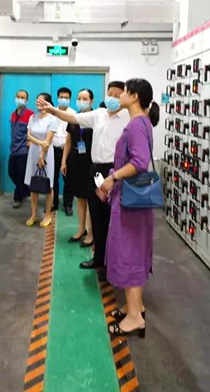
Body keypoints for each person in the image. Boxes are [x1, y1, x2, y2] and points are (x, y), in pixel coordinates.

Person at [38, 81, 129, 279]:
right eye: (110, 93)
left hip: (114, 172)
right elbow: (73, 117)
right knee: (96, 216)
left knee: (111, 220)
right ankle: (98, 258)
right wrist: (53, 110)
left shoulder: (127, 117)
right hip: (95, 170)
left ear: (124, 97)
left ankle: (111, 264)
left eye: (117, 95)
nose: (113, 98)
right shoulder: (99, 114)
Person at [97, 78, 159, 339]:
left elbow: (140, 162)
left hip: (130, 203)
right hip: (135, 202)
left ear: (134, 97)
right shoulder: (143, 122)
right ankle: (135, 307)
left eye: (123, 93)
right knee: (136, 252)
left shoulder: (135, 125)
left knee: (130, 253)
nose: (118, 96)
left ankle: (134, 319)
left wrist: (112, 178)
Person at [61, 89, 95, 245]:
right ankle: (81, 229)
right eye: (79, 98)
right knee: (80, 198)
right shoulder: (73, 118)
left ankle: (92, 233)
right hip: (75, 161)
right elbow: (68, 141)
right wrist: (64, 161)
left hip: (91, 161)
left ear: (91, 101)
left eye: (85, 98)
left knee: (92, 199)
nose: (82, 101)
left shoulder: (96, 118)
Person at [24, 93, 57, 228]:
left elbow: (48, 141)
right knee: (33, 184)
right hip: (33, 151)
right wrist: (39, 143)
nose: (39, 104)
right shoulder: (32, 117)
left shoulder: (52, 119)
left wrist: (41, 155)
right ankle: (33, 214)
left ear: (48, 103)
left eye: (42, 102)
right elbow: (29, 136)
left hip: (47, 153)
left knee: (48, 185)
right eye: (37, 101)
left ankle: (48, 215)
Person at [52, 87, 77, 215]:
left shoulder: (73, 114)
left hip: (68, 151)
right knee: (53, 178)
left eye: (66, 98)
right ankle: (54, 203)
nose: (63, 99)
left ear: (70, 99)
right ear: (57, 98)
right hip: (53, 149)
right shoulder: (52, 113)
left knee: (69, 179)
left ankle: (68, 204)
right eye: (61, 97)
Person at [8, 90, 33, 209]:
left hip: (23, 150)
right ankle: (26, 190)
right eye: (18, 96)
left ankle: (18, 198)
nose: (20, 99)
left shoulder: (30, 114)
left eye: (22, 97)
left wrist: (32, 141)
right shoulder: (13, 114)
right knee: (11, 173)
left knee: (21, 174)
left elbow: (35, 130)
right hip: (13, 149)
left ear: (27, 100)